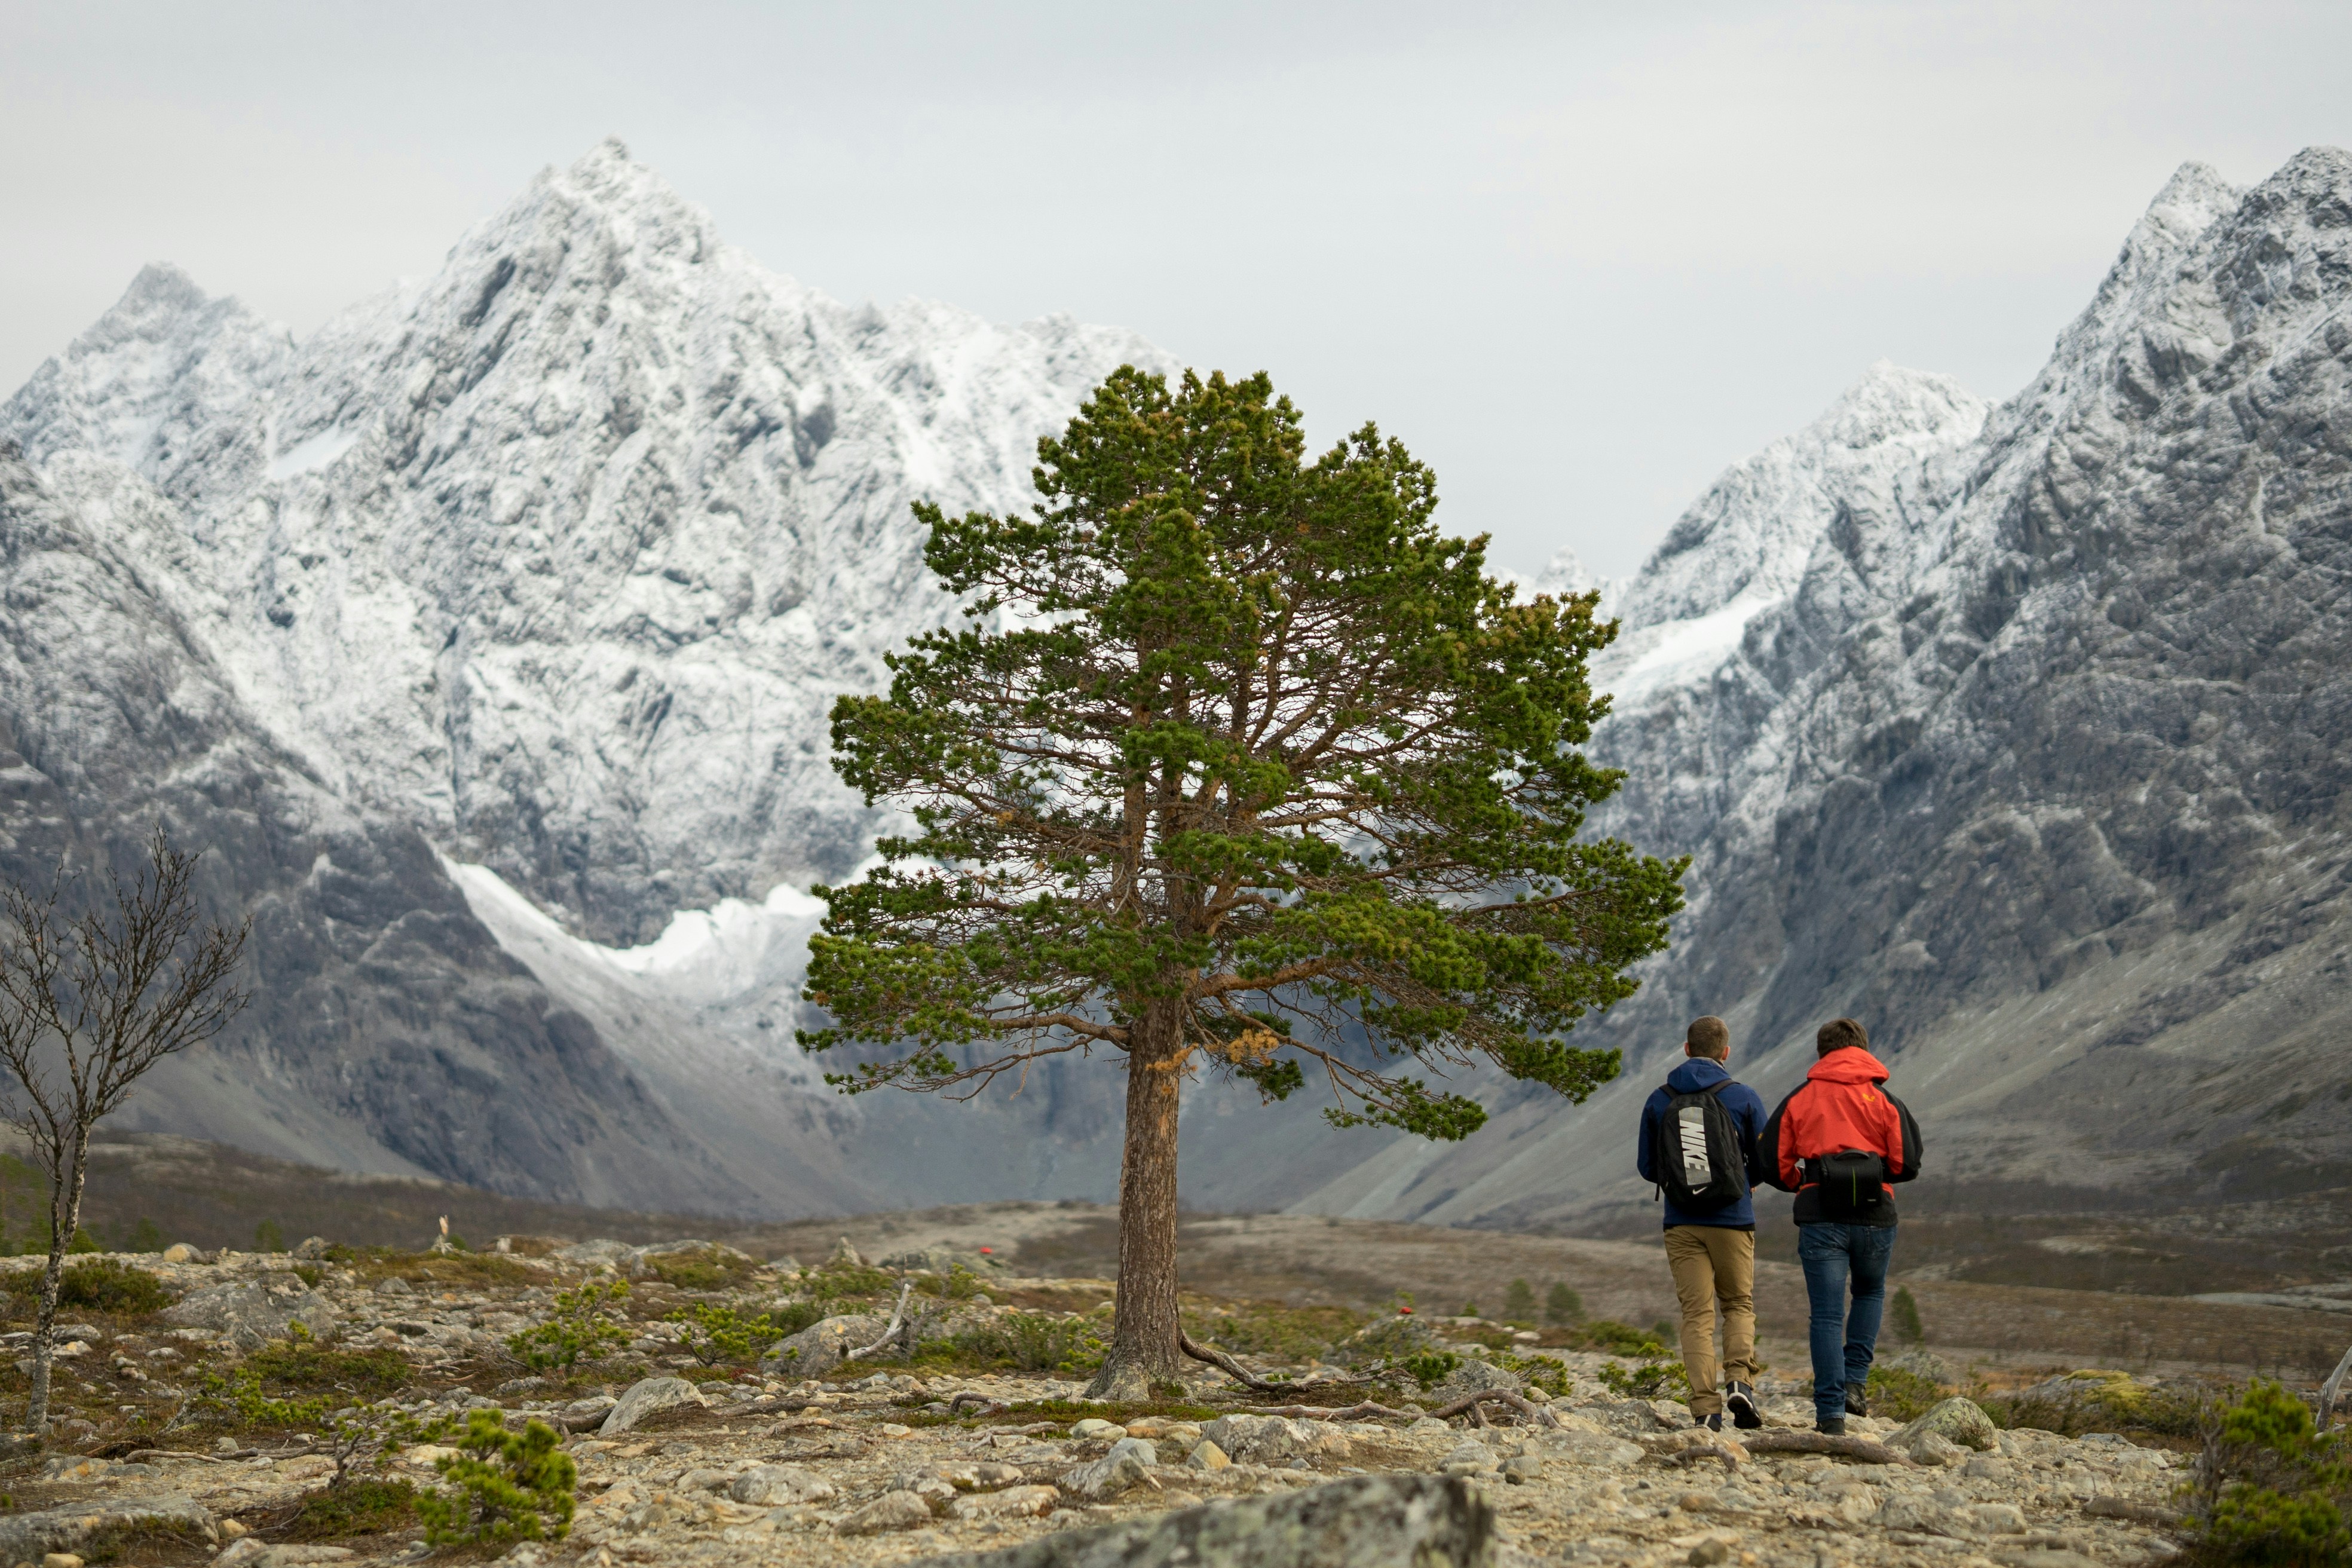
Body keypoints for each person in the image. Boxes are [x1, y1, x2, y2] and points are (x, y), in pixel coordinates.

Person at [1759, 1017, 1924, 1435]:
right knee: (1869, 1292)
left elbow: (1771, 1163)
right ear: (1863, 1050)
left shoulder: (1801, 1098)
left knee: (1827, 1316)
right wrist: (1869, 1173)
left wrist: (1806, 1180)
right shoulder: (1884, 1099)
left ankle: (1830, 1415)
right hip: (1876, 1217)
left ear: (1821, 1052)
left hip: (1821, 1219)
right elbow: (1908, 1163)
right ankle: (1855, 1385)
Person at [1636, 1015, 1768, 1432]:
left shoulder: (1660, 1099)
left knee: (1696, 1314)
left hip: (1681, 1223)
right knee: (1738, 1305)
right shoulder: (1743, 1096)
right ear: (1725, 1052)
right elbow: (1763, 1163)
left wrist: (1683, 1183)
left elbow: (1647, 1167)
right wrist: (1743, 1184)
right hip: (1732, 1219)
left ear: (1686, 1048)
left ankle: (1705, 1410)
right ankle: (1740, 1383)